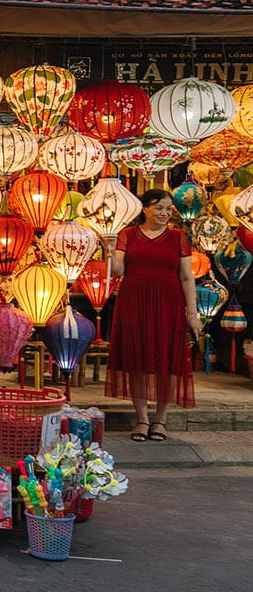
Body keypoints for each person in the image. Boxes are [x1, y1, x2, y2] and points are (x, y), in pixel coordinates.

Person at [107, 188, 202, 441]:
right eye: (159, 207)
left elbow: (186, 276)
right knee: (136, 362)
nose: (165, 213)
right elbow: (117, 272)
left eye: (168, 208)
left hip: (168, 304)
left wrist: (192, 312)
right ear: (145, 209)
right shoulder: (127, 235)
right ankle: (141, 418)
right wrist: (108, 248)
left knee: (168, 364)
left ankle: (160, 419)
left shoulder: (178, 237)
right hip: (133, 303)